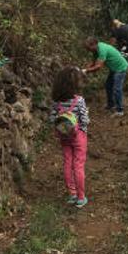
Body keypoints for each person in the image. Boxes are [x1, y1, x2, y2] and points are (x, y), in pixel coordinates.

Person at [50, 66, 90, 208]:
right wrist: (83, 130)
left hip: (64, 136)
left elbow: (52, 119)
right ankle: (80, 197)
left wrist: (59, 131)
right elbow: (84, 119)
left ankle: (72, 194)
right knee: (78, 165)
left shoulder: (56, 102)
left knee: (68, 163)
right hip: (78, 136)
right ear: (74, 84)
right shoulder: (79, 101)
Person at [83, 37, 128, 116]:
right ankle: (111, 105)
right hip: (114, 68)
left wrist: (86, 71)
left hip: (120, 68)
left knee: (117, 89)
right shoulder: (96, 50)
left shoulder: (102, 49)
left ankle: (119, 110)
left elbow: (98, 66)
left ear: (94, 44)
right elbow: (93, 62)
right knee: (108, 86)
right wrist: (85, 69)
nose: (88, 50)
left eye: (88, 48)